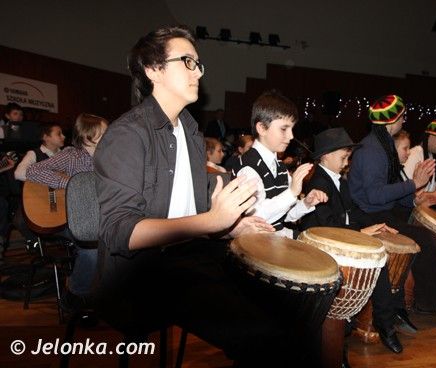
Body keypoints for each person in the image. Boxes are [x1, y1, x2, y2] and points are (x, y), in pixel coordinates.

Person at [93, 26, 300, 367]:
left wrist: (232, 225)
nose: (198, 72)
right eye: (187, 61)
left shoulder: (189, 131)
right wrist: (211, 222)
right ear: (153, 69)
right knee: (266, 334)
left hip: (189, 256)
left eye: (198, 64)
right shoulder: (128, 134)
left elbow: (195, 205)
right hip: (140, 275)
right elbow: (120, 232)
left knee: (287, 308)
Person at [348, 95, 436, 326]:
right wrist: (414, 183)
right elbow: (375, 196)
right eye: (402, 116)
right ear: (392, 119)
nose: (404, 120)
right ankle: (429, 303)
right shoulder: (372, 150)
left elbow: (391, 188)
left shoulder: (382, 144)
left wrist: (414, 198)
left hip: (385, 209)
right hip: (370, 215)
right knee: (426, 238)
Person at [301, 127, 407, 354]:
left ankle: (384, 320)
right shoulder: (318, 183)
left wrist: (376, 224)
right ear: (325, 156)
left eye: (347, 157)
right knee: (377, 262)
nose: (346, 162)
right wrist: (360, 232)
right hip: (322, 248)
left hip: (339, 237)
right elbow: (327, 227)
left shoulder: (338, 180)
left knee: (379, 256)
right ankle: (383, 324)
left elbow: (352, 211)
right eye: (343, 157)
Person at [26, 114, 107, 310]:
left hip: (99, 218)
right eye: (104, 131)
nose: (110, 134)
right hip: (72, 219)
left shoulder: (110, 159)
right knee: (92, 251)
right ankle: (74, 293)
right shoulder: (72, 155)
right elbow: (33, 171)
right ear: (88, 135)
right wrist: (71, 183)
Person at [231, 90, 328, 240]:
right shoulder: (248, 167)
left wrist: (306, 203)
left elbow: (285, 215)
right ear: (262, 128)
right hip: (256, 241)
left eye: (291, 129)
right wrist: (292, 192)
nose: (291, 136)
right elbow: (256, 218)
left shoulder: (280, 167)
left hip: (277, 236)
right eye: (284, 129)